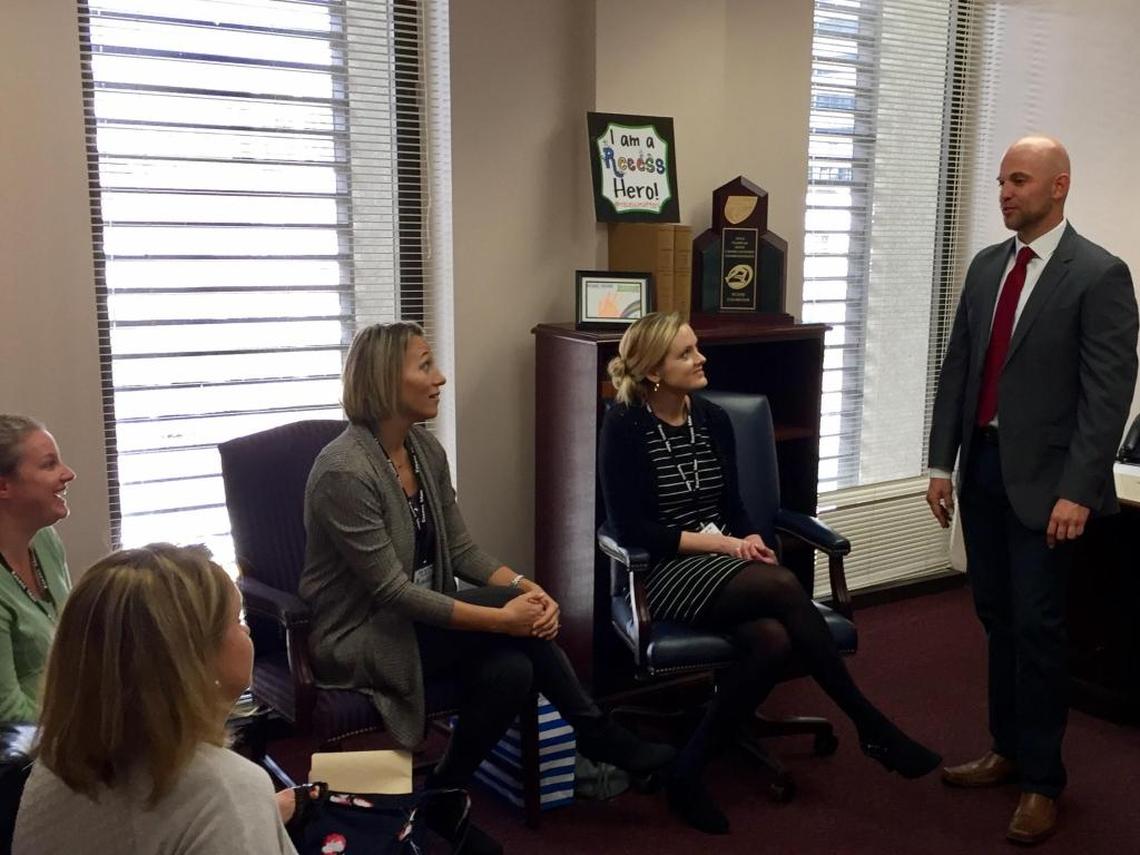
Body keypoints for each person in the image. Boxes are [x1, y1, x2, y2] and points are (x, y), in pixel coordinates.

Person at [300, 322, 675, 855]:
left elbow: (464, 549)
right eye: (425, 365)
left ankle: (443, 798)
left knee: (513, 670)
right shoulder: (344, 470)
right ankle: (592, 728)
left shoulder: (423, 451)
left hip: (424, 622)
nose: (441, 377)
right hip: (361, 635)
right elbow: (392, 593)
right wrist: (507, 616)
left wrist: (528, 586)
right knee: (511, 625)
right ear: (385, 379)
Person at [600, 312, 941, 835]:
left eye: (697, 348)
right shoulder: (624, 424)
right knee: (782, 585)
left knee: (772, 640)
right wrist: (724, 544)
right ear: (652, 373)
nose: (701, 358)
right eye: (686, 353)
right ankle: (869, 724)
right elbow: (632, 529)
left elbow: (734, 504)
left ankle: (687, 769)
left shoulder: (711, 417)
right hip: (663, 570)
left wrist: (748, 537)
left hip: (721, 557)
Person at [927, 135, 1139, 845]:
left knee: (1042, 629)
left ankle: (1043, 781)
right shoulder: (989, 266)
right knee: (996, 618)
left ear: (1059, 187)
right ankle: (1007, 748)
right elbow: (959, 368)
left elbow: (1107, 395)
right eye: (1000, 181)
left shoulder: (1099, 274)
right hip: (981, 471)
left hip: (1051, 487)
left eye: (1018, 180)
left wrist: (1081, 488)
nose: (1004, 192)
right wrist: (938, 464)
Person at [12, 543, 296, 853]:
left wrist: (258, 816)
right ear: (192, 658)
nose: (247, 631)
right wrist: (243, 814)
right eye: (237, 620)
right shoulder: (226, 790)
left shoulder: (54, 767)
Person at [0, 415, 74, 723]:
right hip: (26, 760)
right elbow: (8, 717)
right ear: (4, 486)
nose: (68, 474)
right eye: (49, 465)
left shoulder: (44, 540)